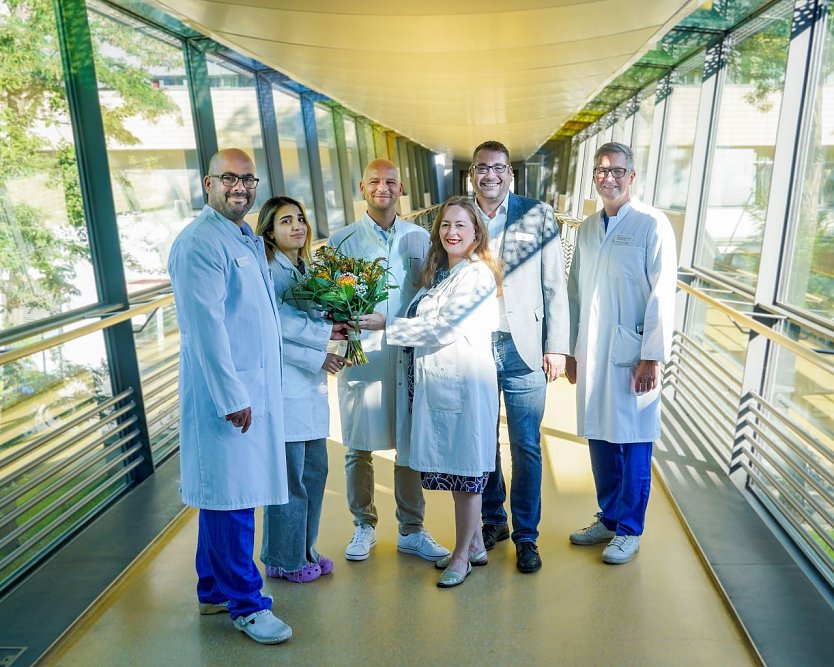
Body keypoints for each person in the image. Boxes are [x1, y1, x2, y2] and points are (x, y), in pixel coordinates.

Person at [168, 149, 291, 644]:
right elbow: (206, 328)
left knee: (224, 496)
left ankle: (212, 589)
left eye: (247, 179)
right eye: (229, 179)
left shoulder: (238, 235)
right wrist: (230, 394)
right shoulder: (200, 242)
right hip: (228, 396)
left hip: (248, 388)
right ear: (208, 183)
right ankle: (246, 603)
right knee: (231, 500)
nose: (239, 187)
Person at [358, 197, 500, 588]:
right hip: (442, 384)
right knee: (457, 470)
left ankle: (460, 559)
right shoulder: (443, 275)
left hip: (465, 386)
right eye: (445, 226)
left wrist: (388, 325)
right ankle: (474, 546)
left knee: (466, 471)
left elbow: (444, 328)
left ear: (476, 233)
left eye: (460, 226)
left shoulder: (476, 276)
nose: (451, 233)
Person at [328, 159, 450, 563]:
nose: (384, 187)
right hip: (362, 357)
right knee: (357, 446)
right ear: (362, 186)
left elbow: (435, 296)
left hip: (409, 354)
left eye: (391, 182)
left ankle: (411, 529)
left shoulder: (421, 238)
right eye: (375, 181)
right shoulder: (341, 240)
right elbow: (329, 304)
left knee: (409, 444)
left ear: (401, 190)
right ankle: (363, 524)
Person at [565, 142, 677, 564]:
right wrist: (572, 350)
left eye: (616, 170)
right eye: (601, 170)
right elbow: (576, 291)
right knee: (600, 437)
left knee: (633, 441)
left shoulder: (652, 224)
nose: (608, 177)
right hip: (592, 352)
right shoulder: (589, 227)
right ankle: (609, 518)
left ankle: (630, 529)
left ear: (632, 177)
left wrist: (651, 356)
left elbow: (662, 294)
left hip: (633, 355)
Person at [470, 140, 570, 573]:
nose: (488, 175)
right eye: (481, 168)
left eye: (497, 168)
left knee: (526, 445)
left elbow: (555, 284)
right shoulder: (460, 213)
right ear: (472, 173)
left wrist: (557, 345)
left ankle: (527, 536)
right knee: (481, 441)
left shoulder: (537, 212)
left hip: (524, 346)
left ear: (509, 173)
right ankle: (495, 520)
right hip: (473, 345)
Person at [255, 195, 349, 584]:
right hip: (285, 387)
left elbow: (311, 320)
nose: (297, 226)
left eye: (300, 219)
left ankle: (305, 548)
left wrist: (337, 337)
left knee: (315, 473)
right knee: (289, 479)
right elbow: (273, 330)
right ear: (270, 233)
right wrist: (320, 352)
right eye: (285, 221)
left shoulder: (306, 269)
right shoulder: (267, 271)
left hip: (308, 391)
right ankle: (283, 558)